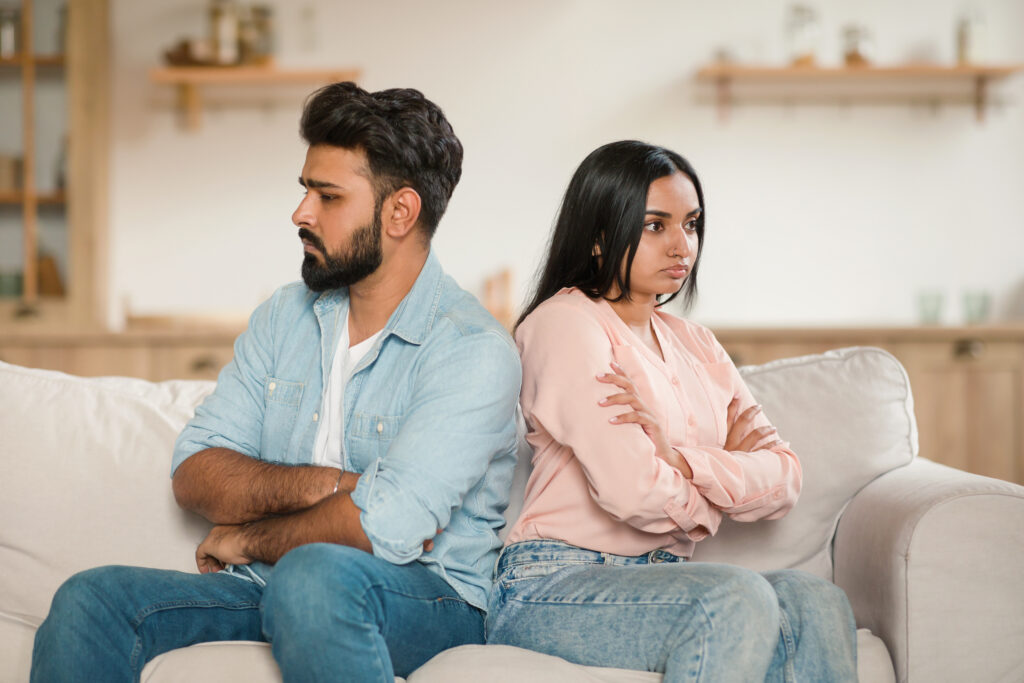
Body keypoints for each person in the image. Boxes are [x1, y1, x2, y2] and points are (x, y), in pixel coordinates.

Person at [31, 82, 522, 682]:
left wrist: (250, 539)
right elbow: (194, 470)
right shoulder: (284, 315)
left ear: (401, 212)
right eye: (304, 190)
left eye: (328, 195)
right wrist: (340, 486)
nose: (301, 213)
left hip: (429, 599)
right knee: (91, 600)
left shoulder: (471, 350)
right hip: (266, 588)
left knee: (311, 577)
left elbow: (385, 529)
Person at [486, 140, 857, 682]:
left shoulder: (699, 345)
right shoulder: (565, 323)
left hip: (661, 581)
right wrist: (715, 502)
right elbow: (631, 491)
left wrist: (679, 459)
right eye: (655, 226)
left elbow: (785, 477)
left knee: (815, 599)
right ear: (598, 236)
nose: (682, 246)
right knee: (732, 596)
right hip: (553, 583)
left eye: (692, 224)